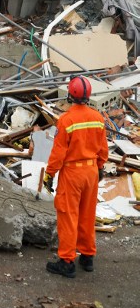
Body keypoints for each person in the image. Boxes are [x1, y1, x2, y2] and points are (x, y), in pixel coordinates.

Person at [43, 76, 108, 278]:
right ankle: (87, 256)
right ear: (88, 96)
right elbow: (103, 149)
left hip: (72, 173)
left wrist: (50, 174)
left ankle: (67, 261)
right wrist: (100, 167)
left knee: (68, 215)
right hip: (91, 172)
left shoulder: (66, 120)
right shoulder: (98, 118)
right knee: (87, 215)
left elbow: (59, 152)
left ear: (70, 95)